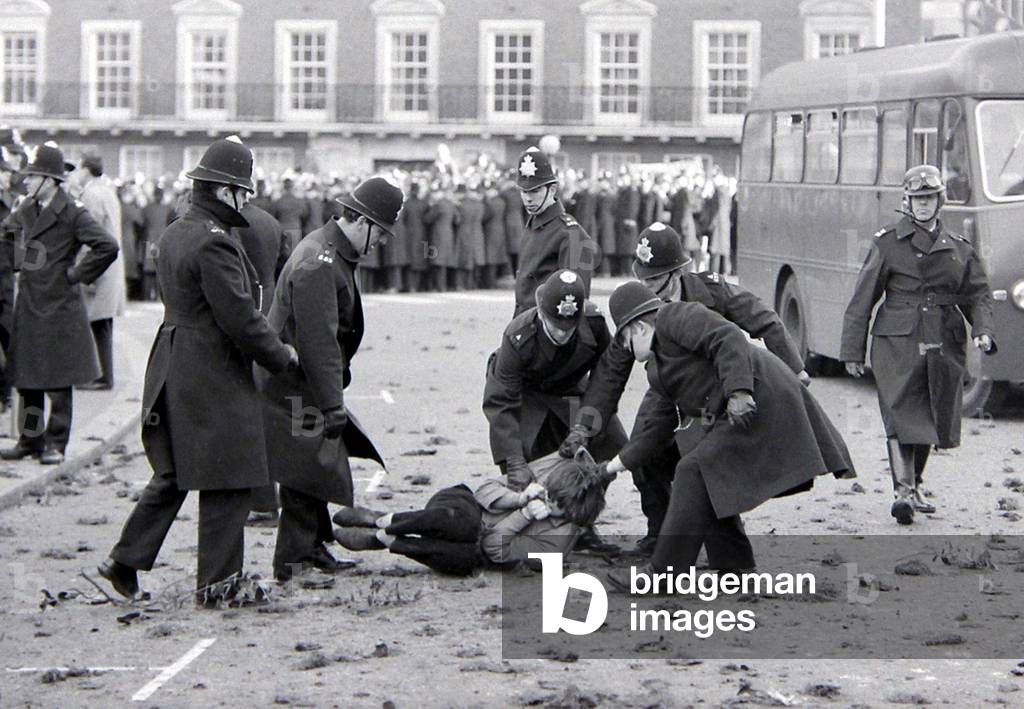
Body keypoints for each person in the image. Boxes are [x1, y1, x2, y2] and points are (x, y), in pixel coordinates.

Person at [98, 136, 298, 604]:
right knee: (230, 471)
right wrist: (281, 356)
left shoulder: (177, 230)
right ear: (224, 191)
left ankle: (125, 558)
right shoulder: (215, 244)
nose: (247, 200)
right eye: (243, 191)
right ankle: (218, 582)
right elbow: (241, 320)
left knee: (173, 469)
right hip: (211, 366)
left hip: (172, 358)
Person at [564, 222, 808, 554]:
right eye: (643, 279)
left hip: (716, 389)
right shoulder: (638, 314)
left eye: (654, 280)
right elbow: (609, 376)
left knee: (704, 465)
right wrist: (584, 427)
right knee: (644, 449)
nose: (648, 288)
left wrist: (796, 370)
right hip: (667, 388)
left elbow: (764, 319)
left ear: (678, 272)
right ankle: (658, 533)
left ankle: (714, 546)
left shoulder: (712, 291)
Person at [602, 282, 855, 587]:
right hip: (743, 404)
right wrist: (611, 467)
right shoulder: (658, 363)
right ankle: (735, 568)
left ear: (640, 327)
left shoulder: (675, 316)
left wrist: (739, 391)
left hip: (762, 397)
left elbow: (728, 336)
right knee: (708, 472)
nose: (626, 349)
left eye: (625, 339)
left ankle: (663, 574)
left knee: (693, 470)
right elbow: (656, 425)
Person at [256, 176, 403, 584]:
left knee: (317, 462)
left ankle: (314, 545)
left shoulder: (329, 251)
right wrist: (332, 403)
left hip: (300, 378)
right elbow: (318, 341)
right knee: (307, 465)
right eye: (380, 233)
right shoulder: (319, 262)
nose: (380, 243)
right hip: (293, 381)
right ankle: (294, 558)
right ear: (361, 221)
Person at [840, 165, 995, 525]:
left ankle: (916, 482)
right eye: (916, 198)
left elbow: (978, 294)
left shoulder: (959, 248)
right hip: (897, 341)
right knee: (899, 410)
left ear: (939, 202)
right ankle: (903, 491)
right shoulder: (887, 243)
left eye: (929, 198)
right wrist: (852, 351)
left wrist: (982, 330)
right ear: (906, 202)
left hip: (943, 339)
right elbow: (863, 299)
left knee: (930, 411)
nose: (923, 205)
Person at [483, 269, 626, 552]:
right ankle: (530, 528)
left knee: (612, 443)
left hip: (569, 389)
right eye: (554, 325)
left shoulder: (594, 323)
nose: (562, 333)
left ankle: (582, 522)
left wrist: (585, 426)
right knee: (525, 463)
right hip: (526, 395)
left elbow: (607, 377)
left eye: (569, 327)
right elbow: (502, 402)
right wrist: (513, 460)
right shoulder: (517, 335)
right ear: (540, 312)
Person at [0, 142, 118, 465]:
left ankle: (55, 443)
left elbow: (107, 246)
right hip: (30, 302)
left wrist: (76, 274)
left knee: (57, 378)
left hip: (59, 303)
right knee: (29, 378)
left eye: (31, 177)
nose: (24, 182)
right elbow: (6, 237)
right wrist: (14, 259)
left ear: (48, 180)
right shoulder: (26, 209)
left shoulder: (72, 211)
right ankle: (29, 440)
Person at [332, 451, 610, 574]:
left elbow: (493, 548)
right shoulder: (550, 479)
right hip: (464, 505)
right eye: (548, 496)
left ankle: (383, 540)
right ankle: (384, 520)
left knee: (463, 557)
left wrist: (524, 515)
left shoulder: (556, 544)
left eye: (556, 507)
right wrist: (518, 497)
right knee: (462, 523)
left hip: (480, 549)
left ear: (572, 515)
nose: (547, 503)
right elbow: (483, 491)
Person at [234, 200, 290, 525]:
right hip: (269, 317)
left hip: (242, 320)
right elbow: (284, 269)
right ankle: (267, 498)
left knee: (244, 413)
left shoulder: (227, 224)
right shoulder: (271, 222)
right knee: (263, 409)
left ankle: (260, 500)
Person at [513, 147, 598, 316]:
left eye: (535, 191)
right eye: (524, 191)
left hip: (550, 331)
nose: (528, 198)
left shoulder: (571, 234)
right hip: (524, 326)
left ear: (551, 190)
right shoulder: (532, 224)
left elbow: (574, 302)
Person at [76, 153, 125, 391]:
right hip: (112, 266)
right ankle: (104, 375)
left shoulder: (91, 194)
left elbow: (90, 236)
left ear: (85, 170)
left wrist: (87, 272)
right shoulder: (108, 192)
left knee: (97, 324)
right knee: (103, 324)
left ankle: (102, 376)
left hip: (99, 267)